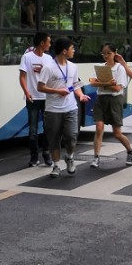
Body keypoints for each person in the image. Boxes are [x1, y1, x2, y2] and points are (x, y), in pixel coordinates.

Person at [37, 37, 90, 178]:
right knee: (54, 139)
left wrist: (80, 95)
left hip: (71, 108)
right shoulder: (49, 67)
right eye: (72, 48)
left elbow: (75, 85)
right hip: (52, 109)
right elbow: (40, 87)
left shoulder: (73, 67)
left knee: (71, 136)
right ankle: (55, 165)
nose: (74, 51)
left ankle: (70, 157)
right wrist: (57, 91)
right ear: (64, 51)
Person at [87, 43, 132, 168]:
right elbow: (92, 82)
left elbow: (117, 87)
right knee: (99, 127)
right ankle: (96, 157)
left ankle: (130, 151)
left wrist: (102, 83)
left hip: (115, 100)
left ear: (115, 53)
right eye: (104, 53)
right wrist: (108, 83)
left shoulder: (119, 68)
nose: (106, 56)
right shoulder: (100, 67)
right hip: (101, 99)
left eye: (109, 53)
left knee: (117, 133)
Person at [19, 32, 53, 167]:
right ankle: (34, 156)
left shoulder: (49, 59)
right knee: (33, 130)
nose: (50, 44)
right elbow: (22, 77)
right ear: (42, 43)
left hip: (47, 98)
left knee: (48, 128)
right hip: (32, 98)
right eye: (49, 42)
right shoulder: (27, 57)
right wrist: (26, 92)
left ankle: (46, 153)